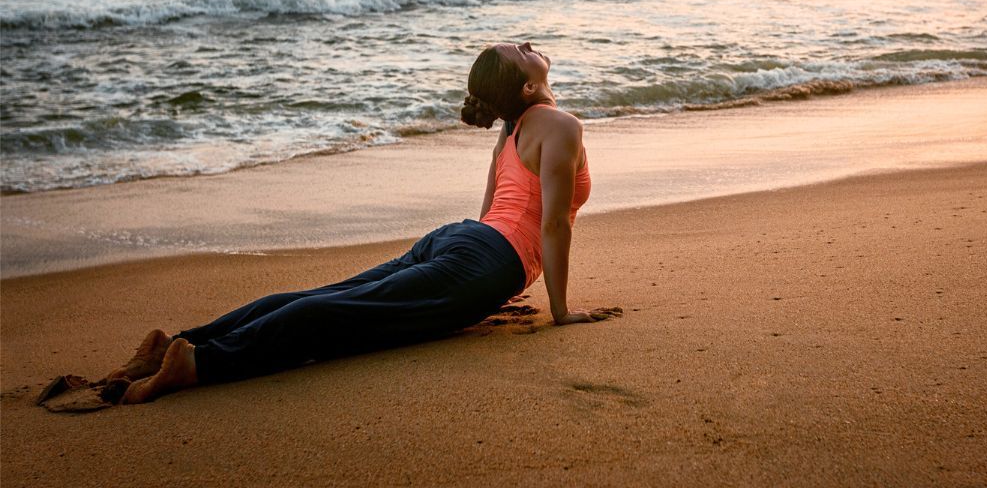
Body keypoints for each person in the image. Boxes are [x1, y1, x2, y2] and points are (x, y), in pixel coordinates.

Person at [117, 41, 618, 403]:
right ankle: (200, 362)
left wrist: (489, 270)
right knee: (339, 312)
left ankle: (183, 340)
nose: (529, 44)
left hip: (464, 240)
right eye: (521, 49)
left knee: (328, 295)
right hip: (483, 258)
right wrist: (560, 310)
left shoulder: (513, 128)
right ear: (530, 85)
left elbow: (491, 210)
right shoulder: (560, 124)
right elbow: (553, 224)